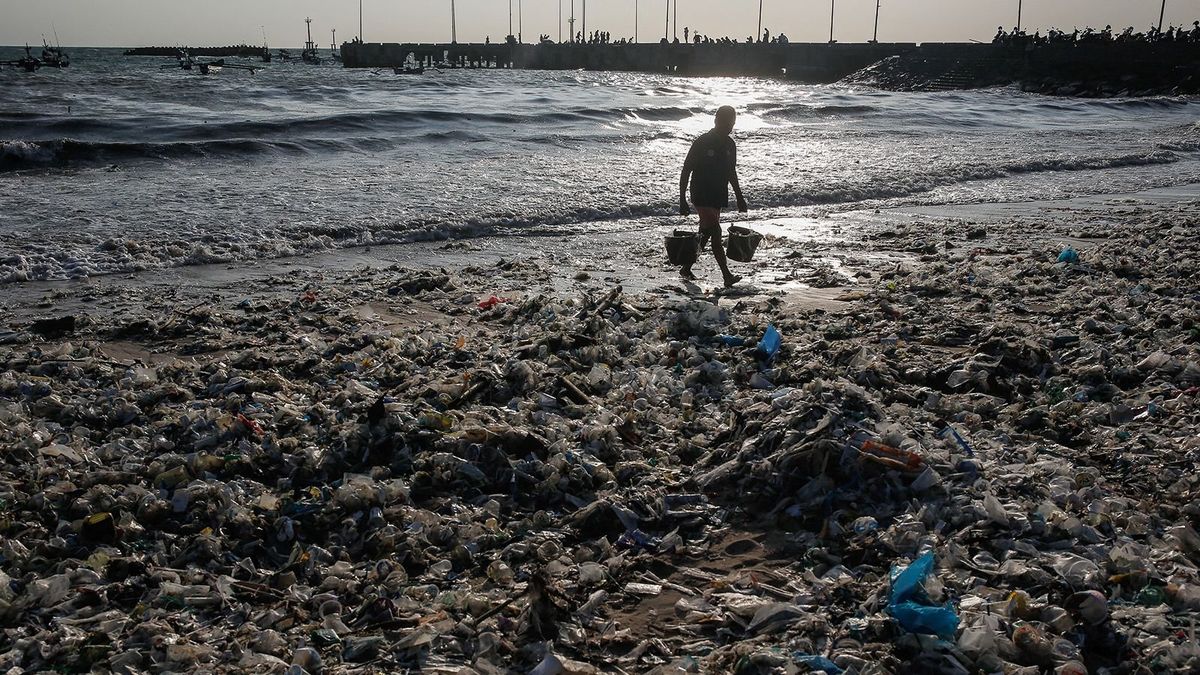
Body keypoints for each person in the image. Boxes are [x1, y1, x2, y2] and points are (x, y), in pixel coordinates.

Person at [678, 106, 747, 287]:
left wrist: (739, 197)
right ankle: (727, 276)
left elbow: (732, 172)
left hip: (718, 194)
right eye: (726, 123)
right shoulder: (702, 142)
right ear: (716, 121)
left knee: (705, 234)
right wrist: (682, 198)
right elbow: (686, 169)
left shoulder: (730, 145)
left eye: (732, 123)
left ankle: (686, 267)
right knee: (716, 231)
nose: (729, 127)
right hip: (700, 192)